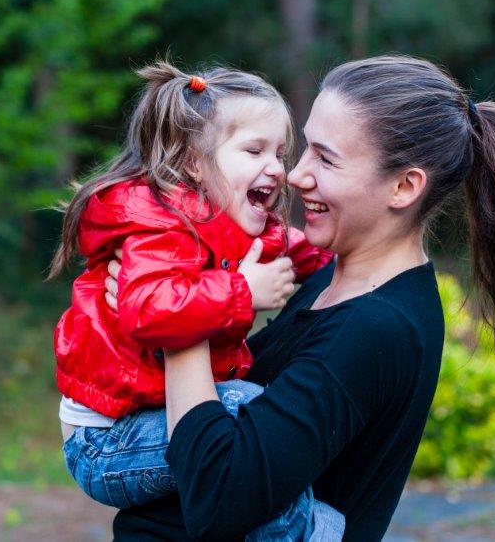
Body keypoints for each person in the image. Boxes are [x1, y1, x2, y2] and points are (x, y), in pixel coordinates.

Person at [106, 55, 495, 540]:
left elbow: (219, 499)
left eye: (326, 159)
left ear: (404, 188)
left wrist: (179, 320)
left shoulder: (377, 328)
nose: (296, 174)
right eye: (305, 147)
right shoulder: (327, 278)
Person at [48, 61, 338, 540]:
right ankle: (315, 533)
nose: (277, 169)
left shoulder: (242, 227)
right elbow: (148, 312)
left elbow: (300, 249)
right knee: (249, 415)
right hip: (106, 441)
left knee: (252, 427)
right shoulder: (157, 229)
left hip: (155, 419)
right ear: (192, 162)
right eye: (254, 150)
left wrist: (346, 256)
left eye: (280, 153)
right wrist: (244, 291)